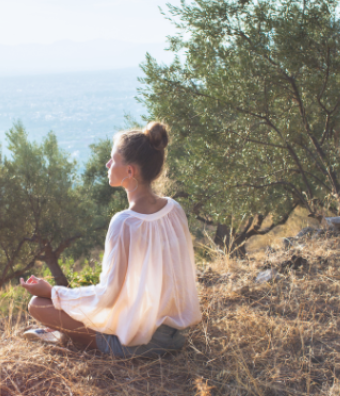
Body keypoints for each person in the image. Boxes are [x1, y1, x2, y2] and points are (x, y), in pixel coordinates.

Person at [18, 122, 202, 358]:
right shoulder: (175, 209)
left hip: (142, 345)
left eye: (113, 159)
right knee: (70, 308)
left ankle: (66, 337)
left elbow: (107, 296)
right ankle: (65, 335)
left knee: (36, 305)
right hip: (176, 337)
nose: (107, 164)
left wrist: (53, 292)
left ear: (129, 171)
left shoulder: (124, 222)